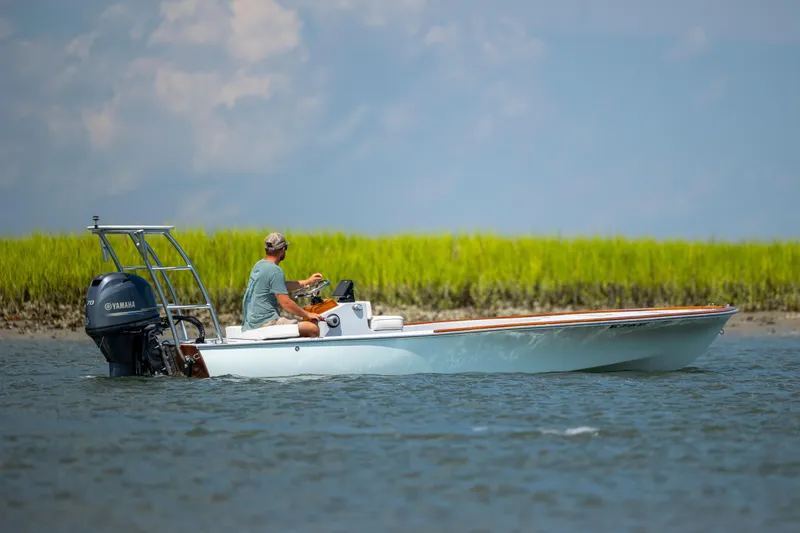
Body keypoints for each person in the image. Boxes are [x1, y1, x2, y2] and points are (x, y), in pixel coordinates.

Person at [241, 232, 325, 337]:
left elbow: (281, 285)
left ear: (266, 250)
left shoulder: (259, 265)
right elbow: (285, 303)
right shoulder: (275, 271)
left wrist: (308, 281)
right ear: (283, 250)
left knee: (302, 324)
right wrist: (307, 314)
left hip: (250, 324)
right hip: (266, 323)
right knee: (312, 328)